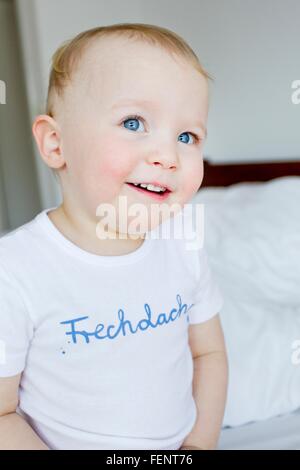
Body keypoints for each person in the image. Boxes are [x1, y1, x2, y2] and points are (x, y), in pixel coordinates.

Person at [0, 23, 228, 450]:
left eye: (186, 136)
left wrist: (198, 446)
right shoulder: (15, 271)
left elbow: (208, 354)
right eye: (134, 121)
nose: (167, 156)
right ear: (55, 143)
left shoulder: (184, 245)